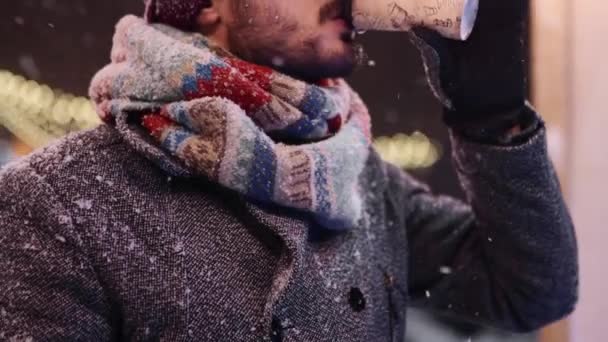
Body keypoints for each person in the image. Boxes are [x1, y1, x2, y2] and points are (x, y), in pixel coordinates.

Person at [0, 0, 578, 341]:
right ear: (206, 5)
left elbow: (530, 291)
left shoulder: (360, 179)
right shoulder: (53, 203)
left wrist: (490, 118)